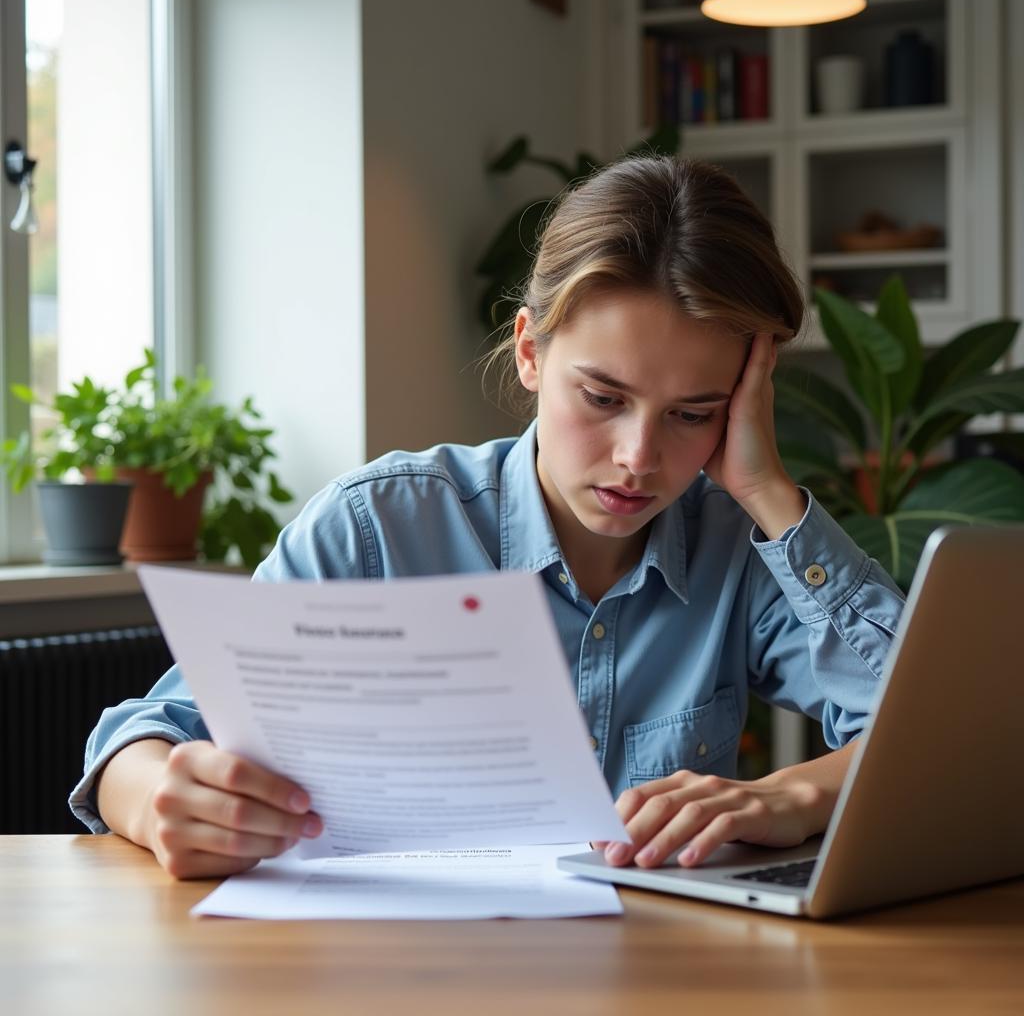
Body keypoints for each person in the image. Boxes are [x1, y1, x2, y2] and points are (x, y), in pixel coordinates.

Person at [70, 155, 904, 881]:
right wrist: (153, 801)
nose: (638, 457)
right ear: (531, 351)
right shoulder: (376, 529)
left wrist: (767, 495)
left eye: (694, 412)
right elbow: (147, 734)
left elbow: (927, 726)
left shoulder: (736, 544)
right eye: (604, 398)